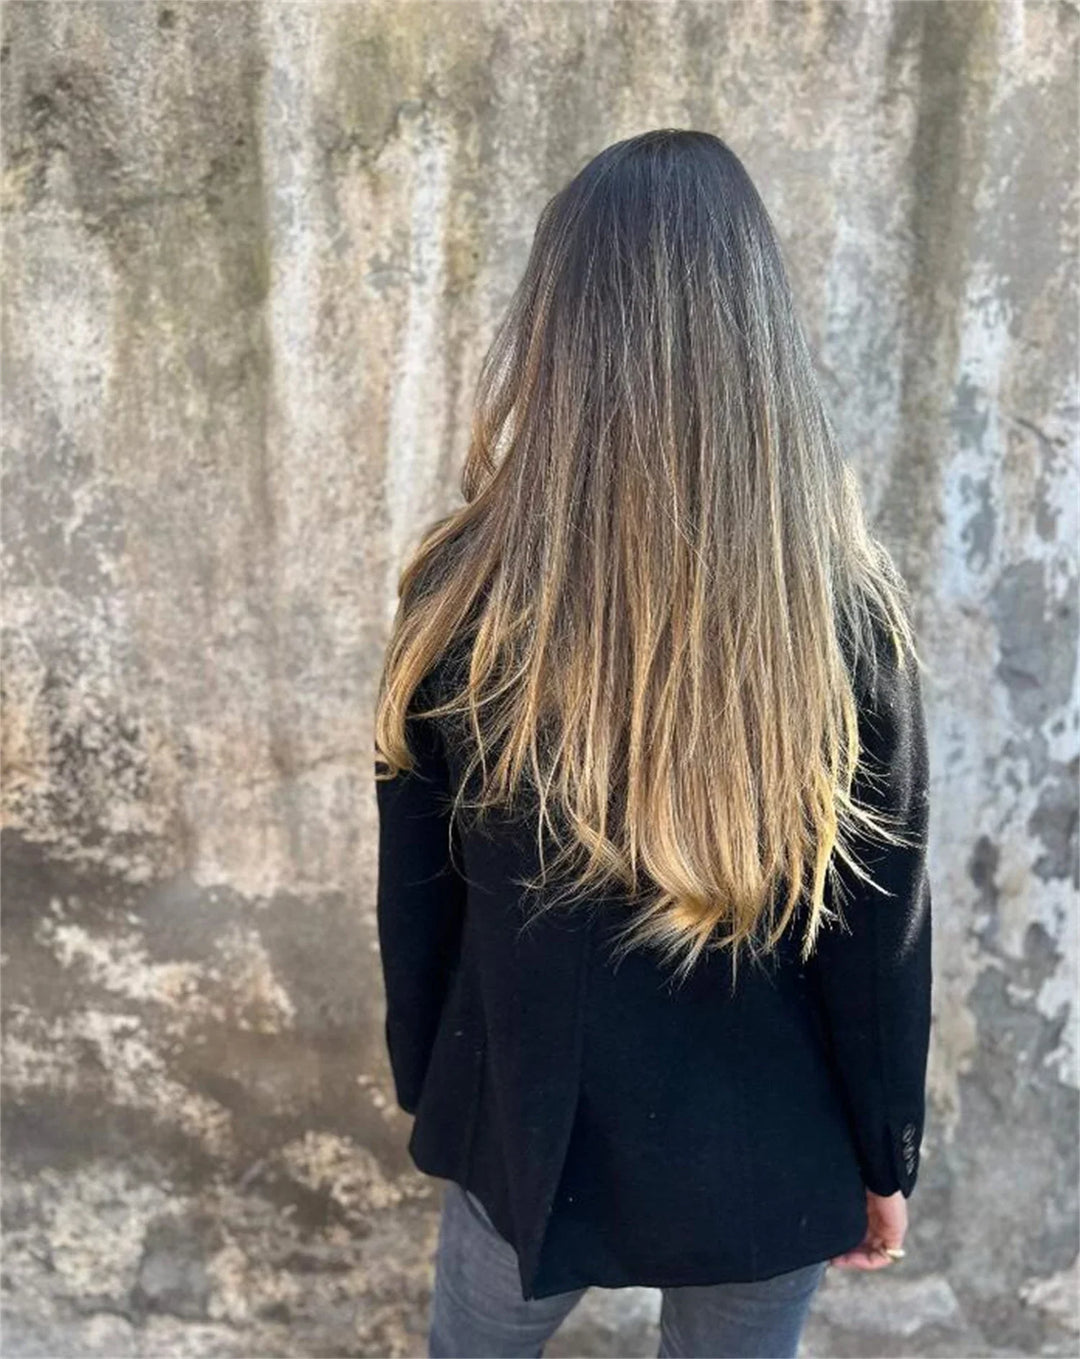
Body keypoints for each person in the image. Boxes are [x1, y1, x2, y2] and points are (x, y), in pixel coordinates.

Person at [374, 129, 933, 1359]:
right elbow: (878, 939)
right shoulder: (843, 616)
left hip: (520, 1122)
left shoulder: (464, 594)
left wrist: (441, 1092)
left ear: (558, 329)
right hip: (767, 1152)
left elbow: (415, 897)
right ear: (758, 336)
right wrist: (883, 1147)